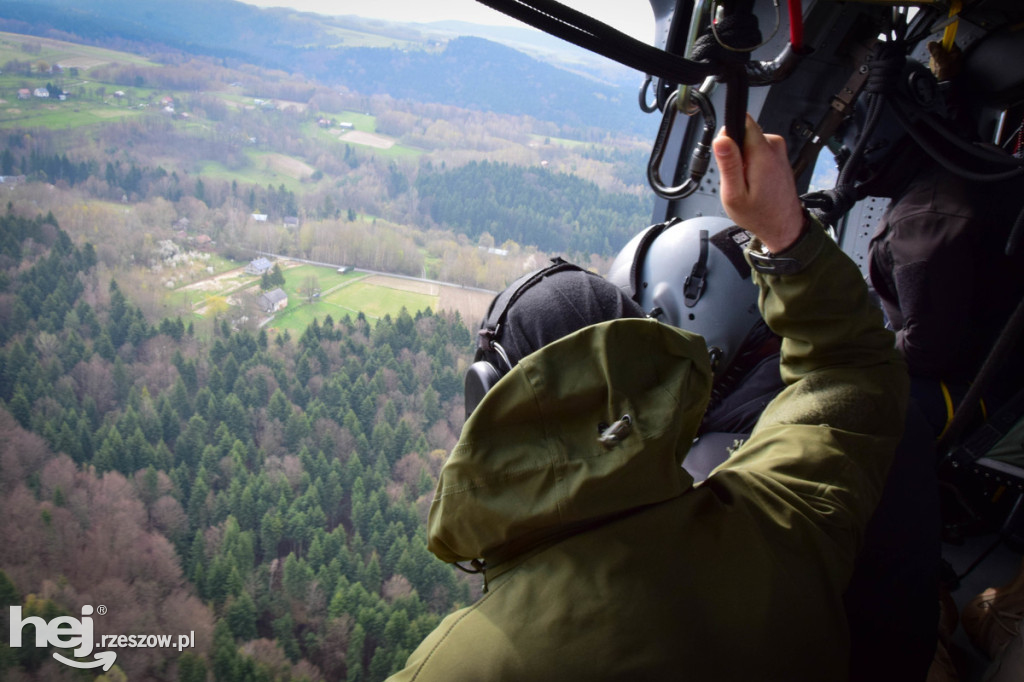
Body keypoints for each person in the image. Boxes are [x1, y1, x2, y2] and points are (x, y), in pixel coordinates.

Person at [386, 116, 908, 681]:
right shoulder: (773, 524)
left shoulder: (464, 664)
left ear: (487, 399)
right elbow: (851, 368)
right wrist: (785, 232)